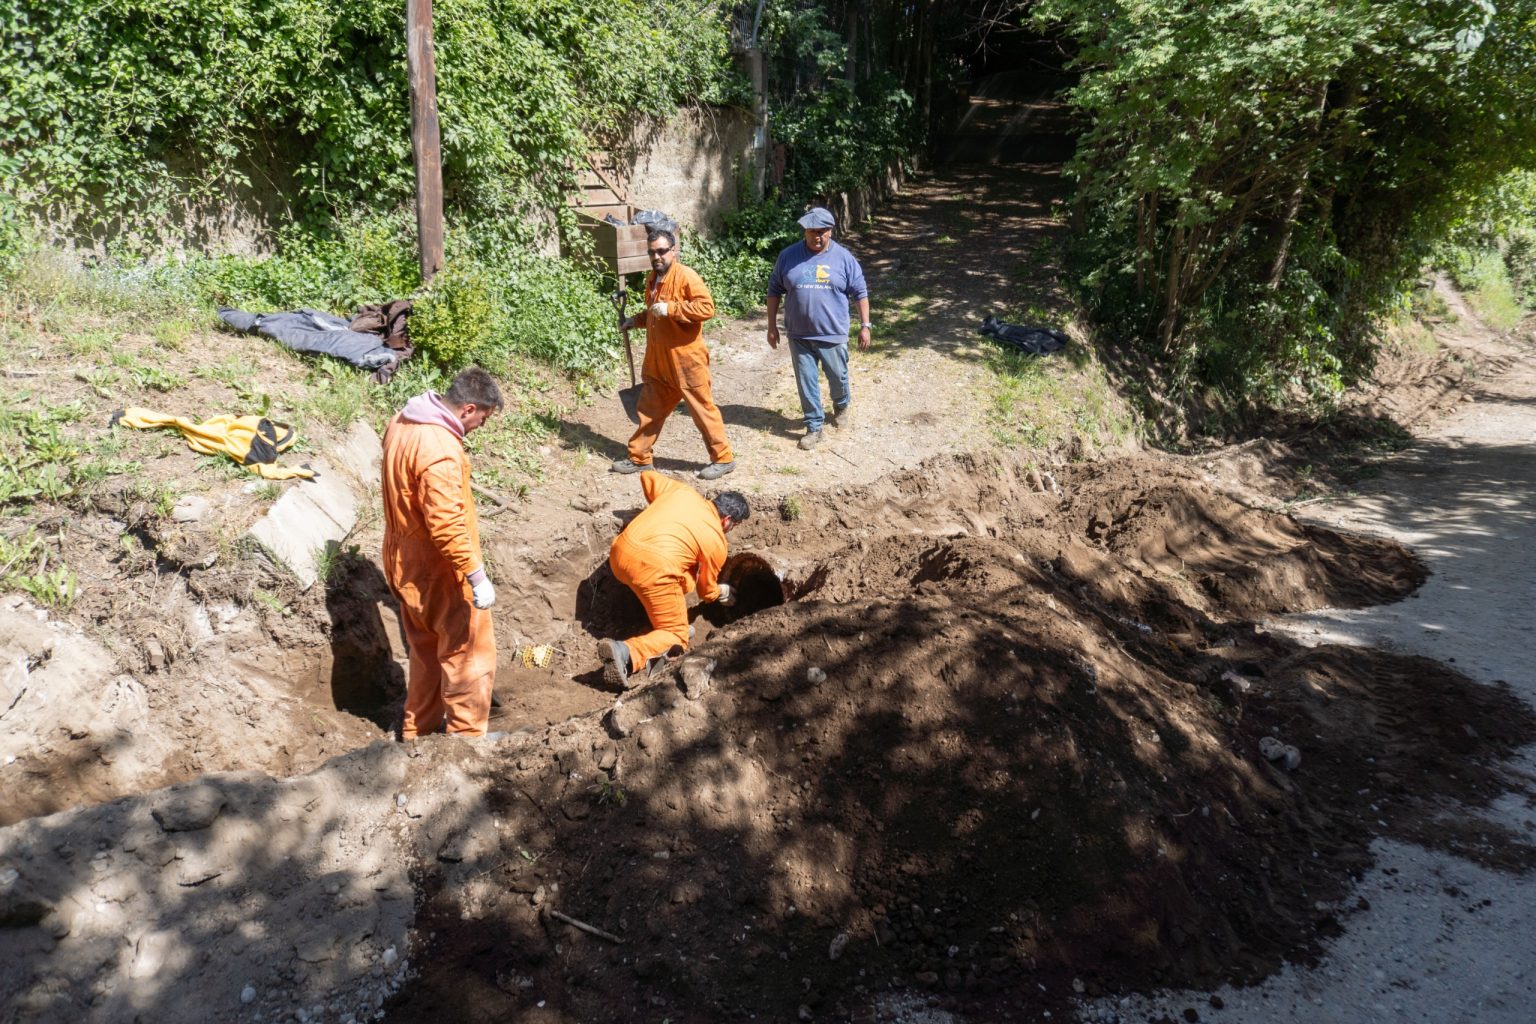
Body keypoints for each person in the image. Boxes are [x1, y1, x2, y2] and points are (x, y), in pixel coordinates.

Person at [381, 366, 503, 739]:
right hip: (439, 569)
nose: (481, 426)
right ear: (468, 408)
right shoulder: (441, 451)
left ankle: (418, 731)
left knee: (425, 650)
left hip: (403, 559)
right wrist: (475, 574)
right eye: (483, 417)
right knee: (467, 654)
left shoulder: (402, 421)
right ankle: (467, 743)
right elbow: (446, 524)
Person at [598, 471, 751, 688]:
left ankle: (665, 618)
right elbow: (706, 593)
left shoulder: (683, 493)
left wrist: (663, 510)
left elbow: (647, 477)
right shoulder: (716, 541)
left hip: (619, 555)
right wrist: (723, 592)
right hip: (653, 571)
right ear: (727, 521)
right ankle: (626, 653)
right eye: (734, 526)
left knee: (685, 579)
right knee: (677, 635)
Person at [613, 227, 737, 481]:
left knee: (702, 409)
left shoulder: (686, 276)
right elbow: (653, 313)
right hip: (659, 360)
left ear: (673, 251)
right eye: (652, 252)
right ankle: (639, 457)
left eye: (661, 251)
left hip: (686, 360)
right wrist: (634, 321)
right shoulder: (653, 279)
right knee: (650, 408)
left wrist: (672, 308)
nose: (656, 256)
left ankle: (723, 458)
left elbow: (706, 308)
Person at [765, 206, 872, 450]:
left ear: (831, 231)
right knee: (806, 382)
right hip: (799, 334)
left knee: (838, 376)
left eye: (822, 232)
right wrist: (772, 326)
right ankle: (814, 426)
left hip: (832, 333)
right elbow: (774, 291)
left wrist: (865, 326)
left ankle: (841, 404)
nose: (817, 237)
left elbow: (860, 293)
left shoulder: (844, 259)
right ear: (805, 231)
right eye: (812, 231)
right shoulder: (788, 256)